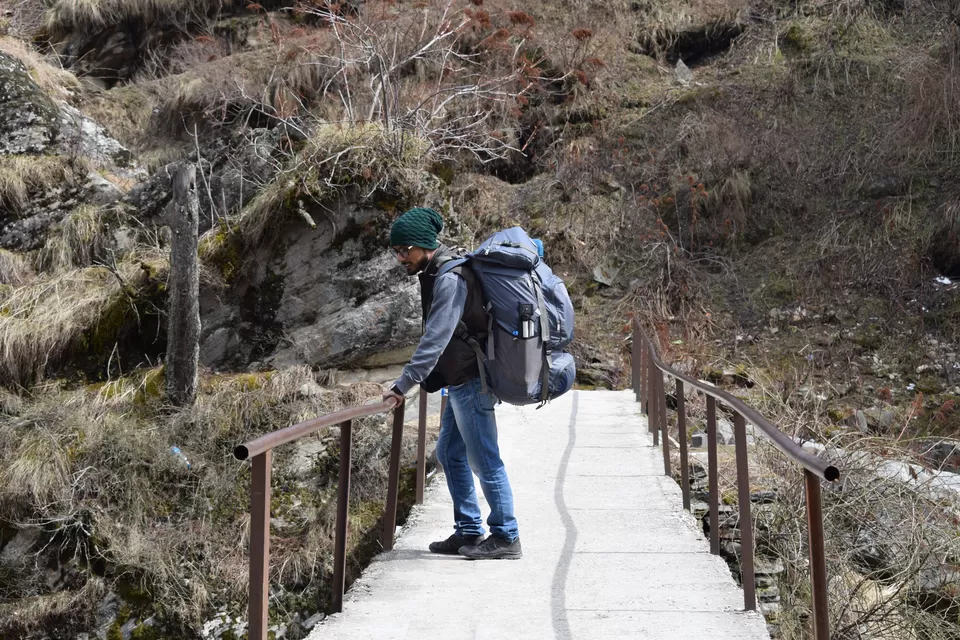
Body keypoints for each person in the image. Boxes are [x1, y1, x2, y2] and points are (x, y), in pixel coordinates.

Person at [381, 207, 522, 560]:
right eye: (396, 251)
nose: (400, 258)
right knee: (449, 452)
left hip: (471, 380)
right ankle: (469, 531)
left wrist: (402, 385)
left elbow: (436, 338)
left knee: (485, 460)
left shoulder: (448, 278)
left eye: (404, 250)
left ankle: (506, 535)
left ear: (423, 246)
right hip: (459, 379)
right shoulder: (435, 271)